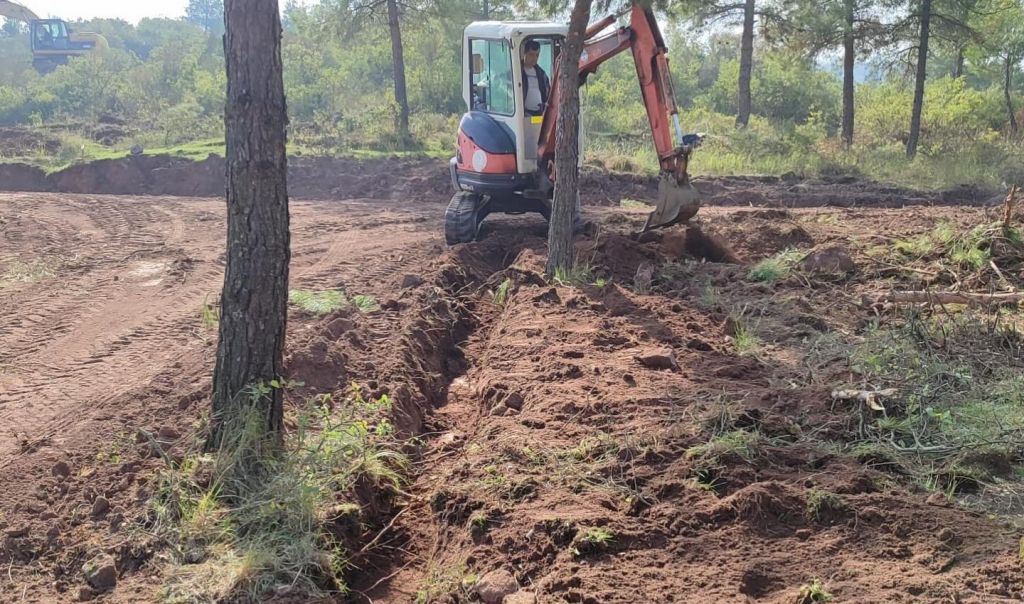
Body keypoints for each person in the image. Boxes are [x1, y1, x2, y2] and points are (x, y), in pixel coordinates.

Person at [522, 40, 549, 116]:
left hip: (539, 113)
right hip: (524, 114)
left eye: (537, 55)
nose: (534, 58)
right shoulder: (518, 72)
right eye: (531, 54)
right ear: (524, 53)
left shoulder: (541, 74)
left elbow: (547, 92)